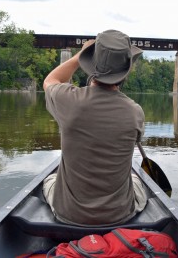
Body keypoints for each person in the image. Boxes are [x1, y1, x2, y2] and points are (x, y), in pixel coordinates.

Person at [42, 29, 147, 226]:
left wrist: (78, 57)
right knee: (136, 179)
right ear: (126, 69)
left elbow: (50, 81)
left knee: (49, 180)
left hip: (69, 214)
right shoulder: (135, 112)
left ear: (90, 65)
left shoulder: (69, 101)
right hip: (119, 215)